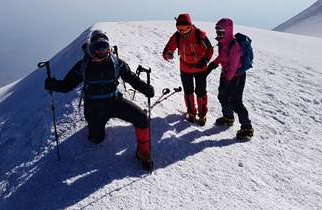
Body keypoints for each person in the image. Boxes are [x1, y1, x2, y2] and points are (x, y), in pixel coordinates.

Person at [45, 30, 155, 166]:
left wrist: (146, 89)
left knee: (142, 118)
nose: (102, 50)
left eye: (104, 46)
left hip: (114, 102)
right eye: (98, 47)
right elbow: (67, 85)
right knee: (96, 139)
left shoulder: (116, 63)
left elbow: (131, 78)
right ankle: (95, 129)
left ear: (109, 47)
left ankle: (143, 152)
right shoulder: (83, 65)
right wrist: (53, 85)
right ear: (91, 48)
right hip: (94, 108)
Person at [207, 18, 254, 139]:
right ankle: (228, 117)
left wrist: (226, 82)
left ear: (228, 31)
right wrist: (212, 65)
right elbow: (222, 57)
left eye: (221, 31)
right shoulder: (223, 43)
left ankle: (247, 128)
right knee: (222, 96)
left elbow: (233, 67)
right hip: (226, 74)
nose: (219, 34)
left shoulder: (235, 47)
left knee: (236, 102)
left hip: (236, 77)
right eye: (217, 31)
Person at [162, 14, 213, 125]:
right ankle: (191, 112)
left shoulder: (199, 35)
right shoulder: (177, 36)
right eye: (179, 28)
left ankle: (202, 114)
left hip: (200, 68)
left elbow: (209, 50)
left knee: (201, 92)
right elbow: (167, 49)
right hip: (185, 69)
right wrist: (168, 54)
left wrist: (205, 61)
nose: (182, 31)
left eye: (185, 28)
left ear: (190, 26)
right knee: (188, 91)